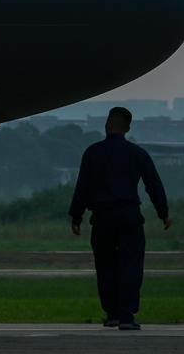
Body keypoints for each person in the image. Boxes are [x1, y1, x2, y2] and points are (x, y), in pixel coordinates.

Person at [68, 107, 170, 330]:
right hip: (128, 216)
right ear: (128, 128)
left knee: (105, 266)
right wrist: (164, 213)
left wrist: (76, 216)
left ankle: (112, 312)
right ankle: (126, 316)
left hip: (102, 217)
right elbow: (153, 184)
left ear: (107, 125)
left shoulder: (93, 153)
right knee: (131, 266)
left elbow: (82, 187)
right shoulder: (137, 153)